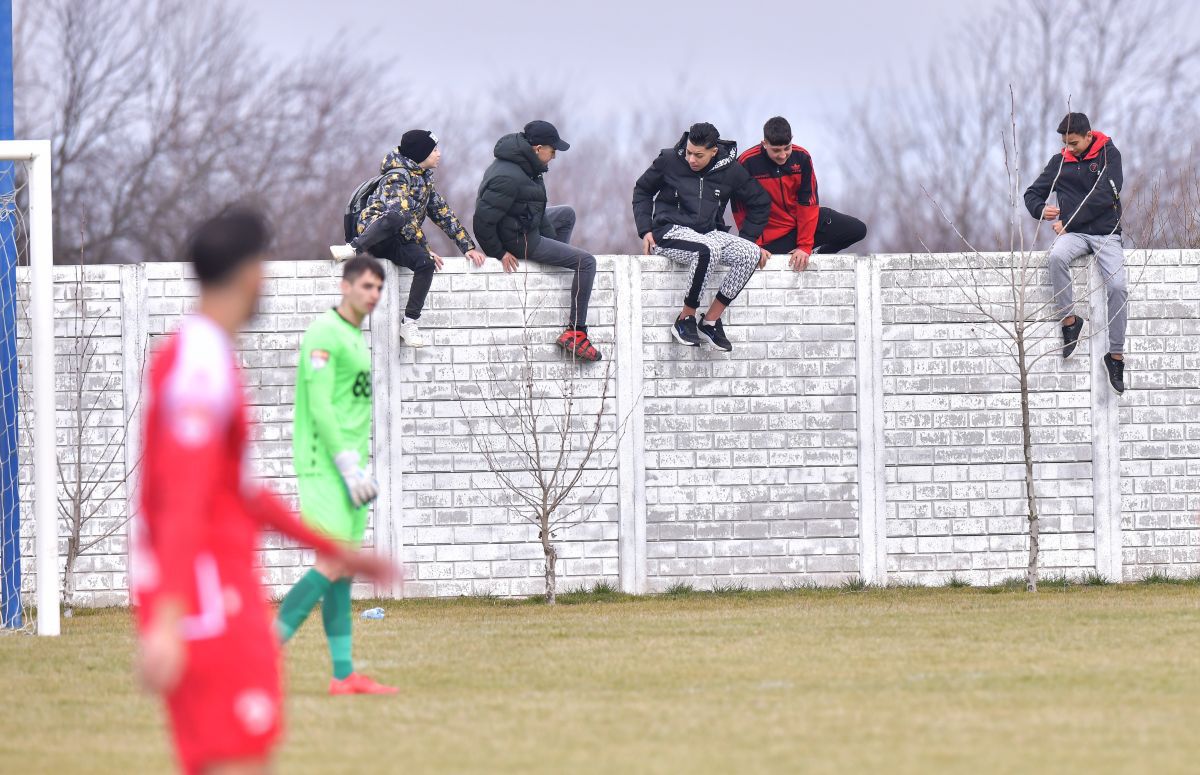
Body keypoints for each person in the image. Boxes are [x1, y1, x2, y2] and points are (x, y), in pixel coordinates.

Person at [132, 207, 395, 775]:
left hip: (216, 589)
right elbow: (180, 498)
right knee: (238, 760)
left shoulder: (210, 356)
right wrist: (170, 617)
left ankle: (341, 670)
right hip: (206, 597)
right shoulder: (200, 364)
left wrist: (349, 555)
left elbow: (239, 492)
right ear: (250, 274)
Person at [275, 255, 399, 695]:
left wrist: (358, 465)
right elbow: (322, 405)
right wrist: (346, 466)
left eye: (379, 289)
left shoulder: (354, 337)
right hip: (323, 467)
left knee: (342, 569)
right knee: (331, 563)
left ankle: (343, 675)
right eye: (367, 286)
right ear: (345, 286)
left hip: (350, 470)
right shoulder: (324, 333)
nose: (374, 295)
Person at [330, 130, 487, 348]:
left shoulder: (423, 180)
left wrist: (467, 246)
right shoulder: (397, 176)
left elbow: (442, 213)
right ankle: (354, 248)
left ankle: (410, 322)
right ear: (420, 153)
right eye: (434, 150)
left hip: (400, 238)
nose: (439, 154)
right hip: (376, 234)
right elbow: (401, 215)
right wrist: (423, 245)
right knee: (397, 216)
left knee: (426, 263)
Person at [632, 122, 771, 352]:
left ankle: (710, 322)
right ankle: (685, 319)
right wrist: (645, 229)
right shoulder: (668, 160)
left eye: (698, 155)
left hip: (708, 233)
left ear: (713, 152)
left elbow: (760, 202)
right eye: (688, 152)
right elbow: (642, 190)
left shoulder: (730, 170)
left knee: (750, 253)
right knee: (707, 250)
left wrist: (748, 238)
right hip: (670, 231)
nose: (691, 159)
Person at [473, 120, 601, 361]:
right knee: (587, 262)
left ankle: (552, 263)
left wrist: (556, 248)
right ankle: (576, 332)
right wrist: (499, 252)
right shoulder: (509, 177)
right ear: (538, 148)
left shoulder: (528, 167)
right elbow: (481, 221)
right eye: (552, 151)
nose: (554, 156)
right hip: (519, 240)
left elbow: (537, 210)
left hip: (524, 226)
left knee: (567, 214)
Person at [1024, 111, 1127, 394]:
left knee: (1118, 287)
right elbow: (1032, 193)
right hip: (1076, 235)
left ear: (1088, 136)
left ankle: (1115, 356)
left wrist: (1068, 220)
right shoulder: (1060, 162)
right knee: (1056, 257)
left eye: (1074, 143)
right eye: (1066, 143)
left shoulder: (1109, 154)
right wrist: (1040, 210)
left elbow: (1107, 196)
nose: (1069, 148)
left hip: (1106, 234)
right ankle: (1070, 320)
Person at [734, 116, 867, 271]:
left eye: (787, 148)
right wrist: (753, 246)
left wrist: (805, 246)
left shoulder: (802, 157)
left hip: (802, 226)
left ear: (792, 140)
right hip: (773, 238)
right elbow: (740, 209)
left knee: (858, 230)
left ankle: (818, 254)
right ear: (764, 144)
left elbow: (808, 203)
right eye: (776, 150)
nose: (782, 155)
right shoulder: (746, 162)